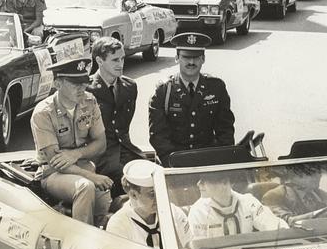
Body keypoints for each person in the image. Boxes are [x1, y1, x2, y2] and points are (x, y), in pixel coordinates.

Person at [30, 58, 112, 226]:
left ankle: (102, 236)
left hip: (83, 166)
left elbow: (101, 143)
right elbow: (56, 161)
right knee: (85, 187)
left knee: (103, 194)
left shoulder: (89, 102)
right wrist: (91, 177)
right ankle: (82, 242)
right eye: (75, 84)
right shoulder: (43, 113)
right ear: (57, 84)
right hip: (52, 173)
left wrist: (76, 153)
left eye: (84, 82)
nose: (82, 89)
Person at [148, 33, 235, 166]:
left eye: (196, 57)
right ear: (177, 58)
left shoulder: (216, 87)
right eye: (186, 57)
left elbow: (225, 130)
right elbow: (158, 136)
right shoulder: (163, 91)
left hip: (208, 160)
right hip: (174, 161)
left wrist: (220, 159)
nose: (191, 62)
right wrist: (175, 164)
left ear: (203, 59)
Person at [86, 37, 144, 197]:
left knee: (156, 175)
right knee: (135, 184)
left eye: (123, 58)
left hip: (126, 151)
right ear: (99, 60)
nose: (121, 64)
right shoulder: (87, 90)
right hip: (99, 156)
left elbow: (123, 129)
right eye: (115, 60)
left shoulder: (130, 87)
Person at [106, 160, 193, 249]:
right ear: (133, 195)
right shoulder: (118, 224)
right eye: (152, 194)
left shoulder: (173, 212)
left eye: (161, 191)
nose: (159, 198)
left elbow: (188, 248)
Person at [188, 171, 287, 238]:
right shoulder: (198, 211)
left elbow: (275, 226)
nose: (198, 184)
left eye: (204, 180)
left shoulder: (248, 202)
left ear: (225, 183)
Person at [262, 165, 327, 226]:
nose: (318, 176)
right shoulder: (274, 196)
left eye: (319, 172)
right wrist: (321, 212)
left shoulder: (325, 197)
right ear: (295, 176)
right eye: (311, 172)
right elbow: (284, 223)